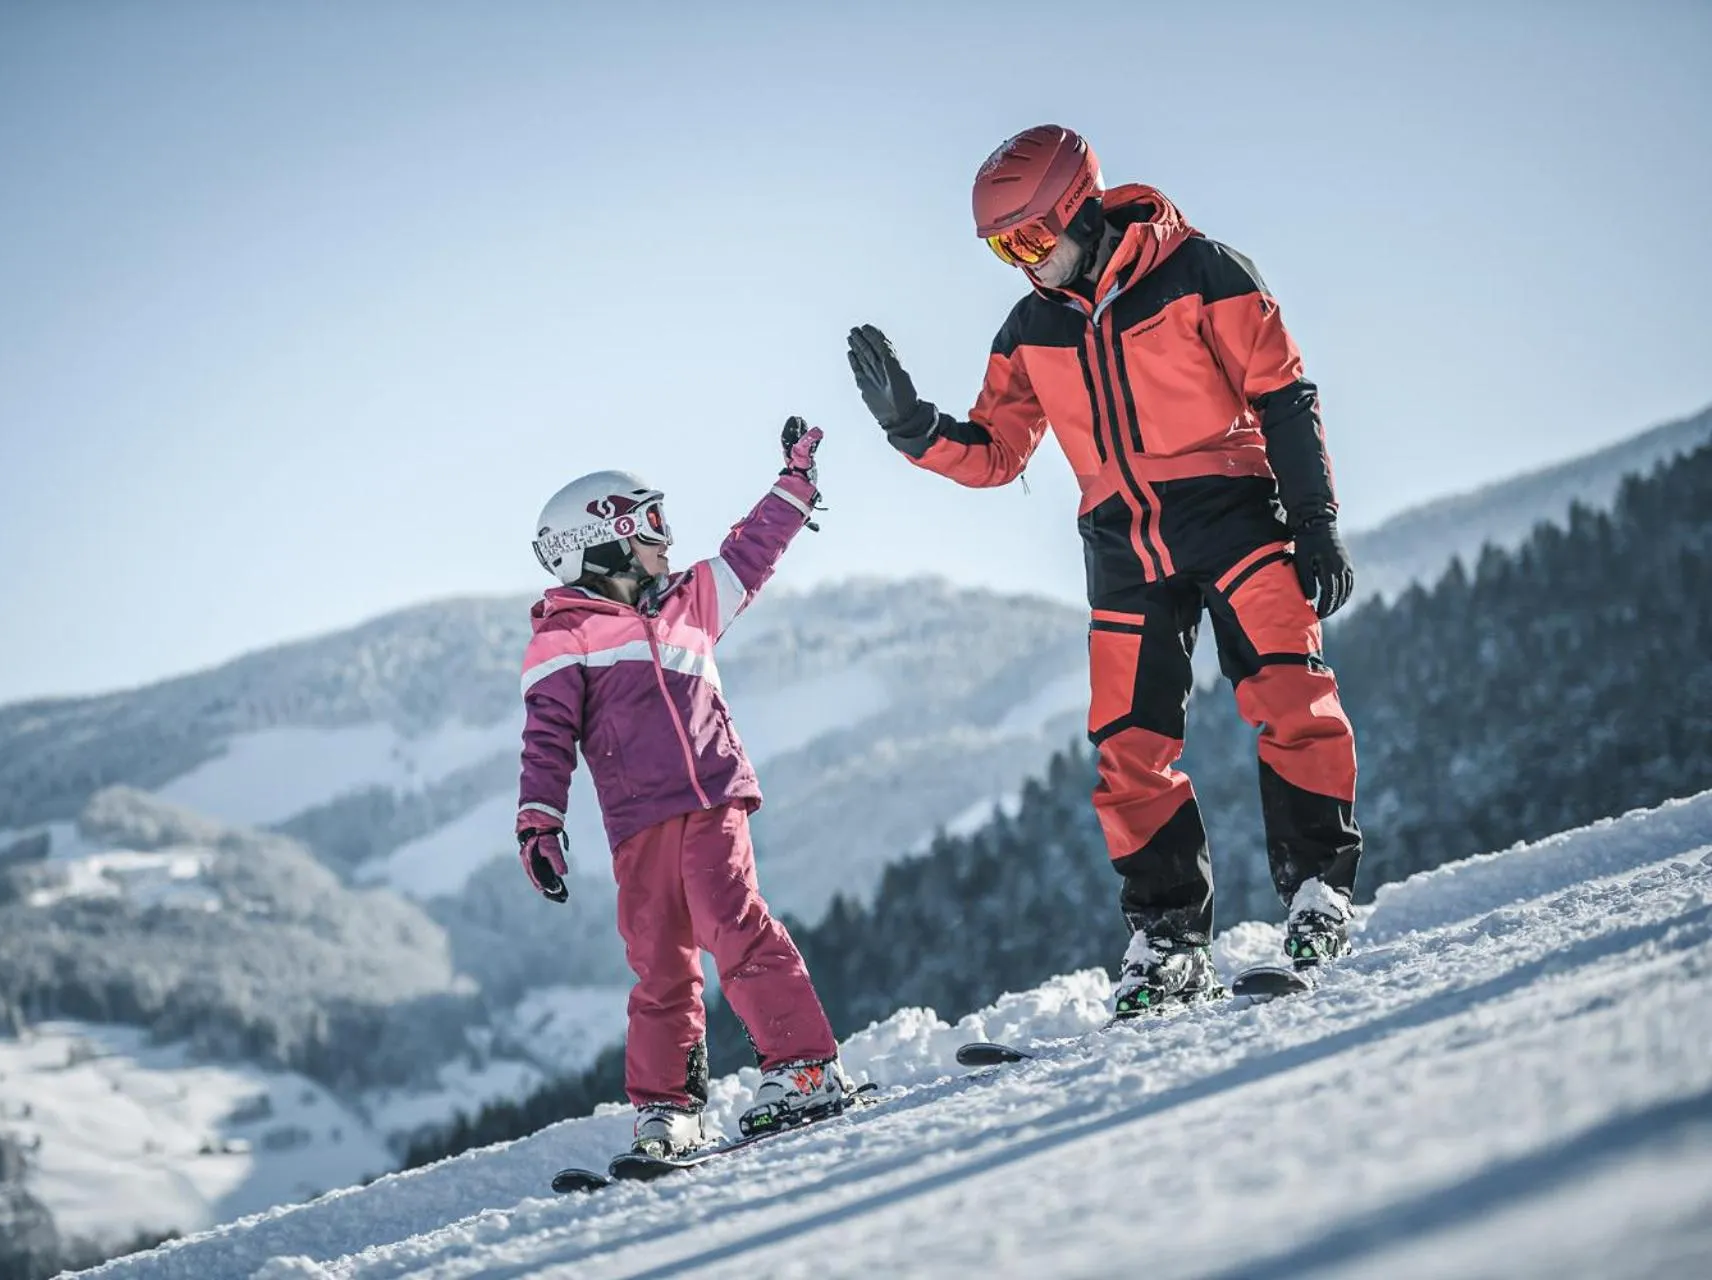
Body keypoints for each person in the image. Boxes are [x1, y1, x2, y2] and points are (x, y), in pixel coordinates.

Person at [846, 125, 1363, 1017]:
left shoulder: (1204, 272)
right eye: (1005, 250)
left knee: (1289, 690)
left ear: (1078, 208)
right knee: (1128, 744)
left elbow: (1284, 392)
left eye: (1033, 241)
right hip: (1122, 541)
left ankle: (1318, 886)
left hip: (1230, 512)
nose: (1025, 264)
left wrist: (1314, 521)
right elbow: (999, 451)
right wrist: (914, 427)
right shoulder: (1031, 328)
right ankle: (1167, 938)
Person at [516, 417, 854, 1156]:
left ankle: (803, 1065)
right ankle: (668, 1108)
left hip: (710, 799)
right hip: (636, 824)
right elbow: (546, 736)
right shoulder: (563, 637)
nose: (667, 540)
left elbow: (751, 553)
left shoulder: (691, 600)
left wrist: (793, 485)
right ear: (596, 544)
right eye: (651, 526)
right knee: (658, 961)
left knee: (733, 924)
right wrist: (538, 822)